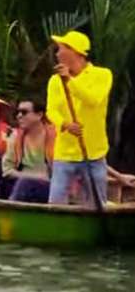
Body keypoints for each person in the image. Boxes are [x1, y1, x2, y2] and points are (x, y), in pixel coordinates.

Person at [46, 31, 112, 206]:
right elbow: (51, 110)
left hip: (93, 153)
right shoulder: (55, 81)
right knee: (56, 204)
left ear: (74, 51)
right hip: (65, 153)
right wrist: (65, 124)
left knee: (97, 205)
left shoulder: (103, 75)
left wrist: (69, 80)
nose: (57, 54)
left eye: (61, 49)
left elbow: (93, 99)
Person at [2, 97, 55, 203]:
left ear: (39, 115)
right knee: (23, 183)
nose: (19, 116)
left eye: (24, 112)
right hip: (21, 184)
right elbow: (7, 170)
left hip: (50, 185)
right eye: (18, 112)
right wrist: (34, 177)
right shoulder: (16, 137)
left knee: (26, 184)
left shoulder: (55, 136)